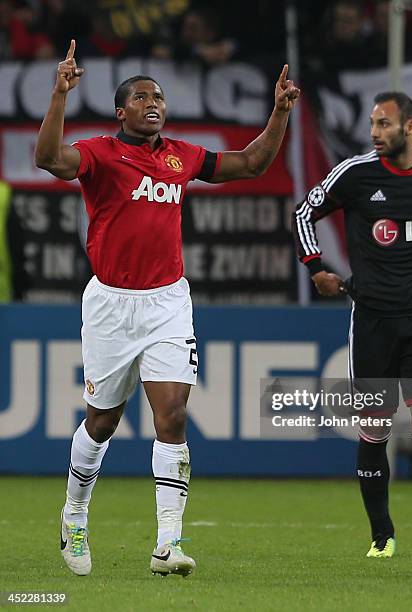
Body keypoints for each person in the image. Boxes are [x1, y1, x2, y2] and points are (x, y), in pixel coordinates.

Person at [35, 39, 299, 577]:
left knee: (172, 415)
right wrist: (59, 96)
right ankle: (75, 513)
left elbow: (251, 163)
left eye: (158, 96)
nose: (153, 102)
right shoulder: (99, 154)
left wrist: (279, 113)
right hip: (111, 302)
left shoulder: (181, 155)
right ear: (120, 110)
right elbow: (47, 160)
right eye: (140, 96)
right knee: (103, 422)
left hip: (167, 302)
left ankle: (168, 545)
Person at [292, 92, 412, 558]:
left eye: (384, 124)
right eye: (372, 124)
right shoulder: (355, 174)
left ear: (410, 126)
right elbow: (303, 214)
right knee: (374, 428)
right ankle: (382, 535)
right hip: (373, 320)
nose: (374, 133)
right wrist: (316, 268)